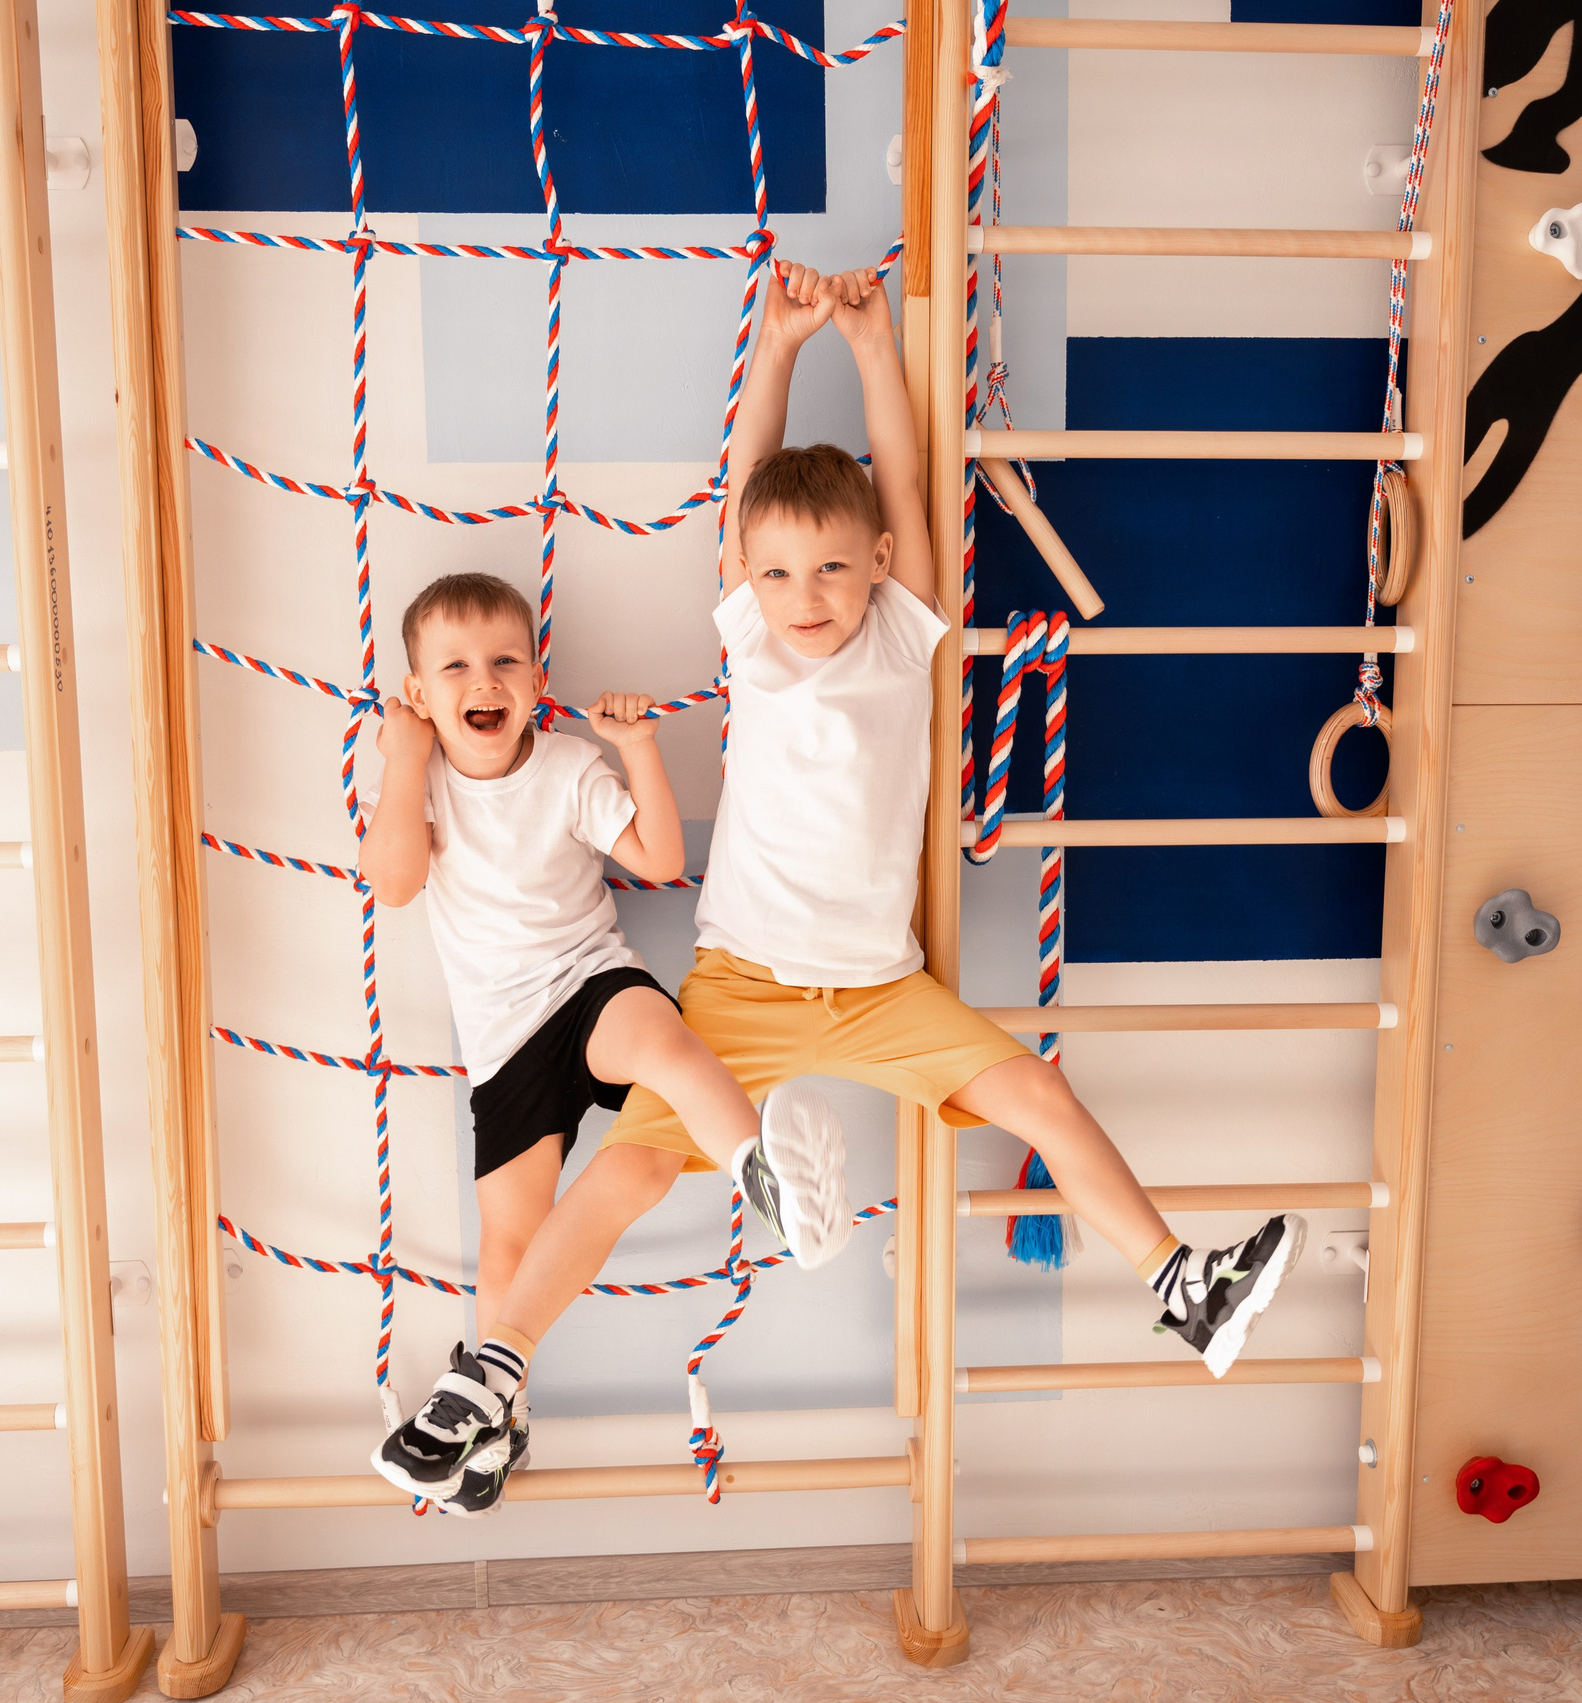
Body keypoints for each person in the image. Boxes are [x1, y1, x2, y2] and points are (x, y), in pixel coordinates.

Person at [483, 260, 1307, 1420]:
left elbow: (907, 481)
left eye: (828, 566)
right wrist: (777, 345)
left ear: (875, 564)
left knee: (1040, 1096)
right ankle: (498, 1357)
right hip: (745, 982)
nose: (802, 591)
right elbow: (745, 489)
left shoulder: (903, 628)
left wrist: (872, 347)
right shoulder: (753, 643)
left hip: (880, 985)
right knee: (636, 1161)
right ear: (749, 585)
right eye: (776, 573)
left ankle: (1183, 1285)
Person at [360, 572, 848, 1516]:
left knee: (663, 1048)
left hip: (588, 984)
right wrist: (397, 754)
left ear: (536, 678)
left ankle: (767, 1174)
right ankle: (499, 1418)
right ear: (419, 695)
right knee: (508, 1241)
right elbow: (392, 881)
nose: (483, 679)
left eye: (505, 659)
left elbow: (659, 862)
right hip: (503, 1043)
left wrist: (639, 750)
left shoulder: (566, 766)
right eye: (454, 666)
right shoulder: (414, 777)